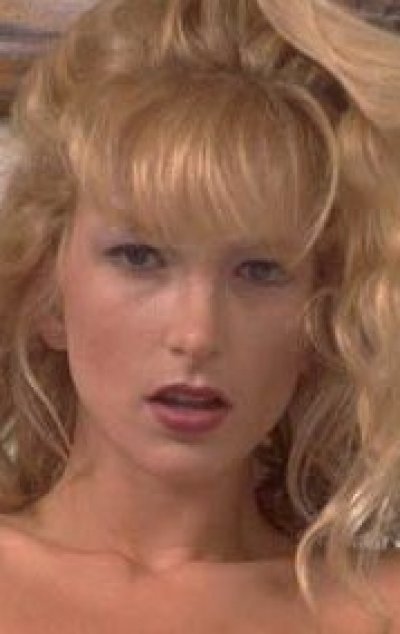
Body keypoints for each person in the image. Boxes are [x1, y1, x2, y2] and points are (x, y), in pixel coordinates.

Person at [0, 0, 399, 631]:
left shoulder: (375, 609)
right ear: (49, 292)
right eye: (139, 257)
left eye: (259, 271)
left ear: (320, 319)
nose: (197, 335)